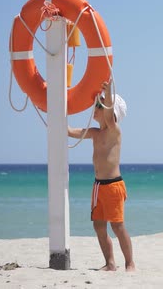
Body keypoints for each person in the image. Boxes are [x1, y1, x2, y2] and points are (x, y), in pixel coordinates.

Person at [68, 80, 135, 272]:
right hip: (98, 186)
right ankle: (110, 263)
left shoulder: (115, 131)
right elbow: (74, 132)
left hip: (113, 186)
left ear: (111, 112)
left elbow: (110, 117)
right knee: (99, 226)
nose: (95, 108)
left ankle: (130, 263)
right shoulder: (95, 133)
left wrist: (108, 93)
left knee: (118, 226)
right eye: (96, 104)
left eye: (100, 105)